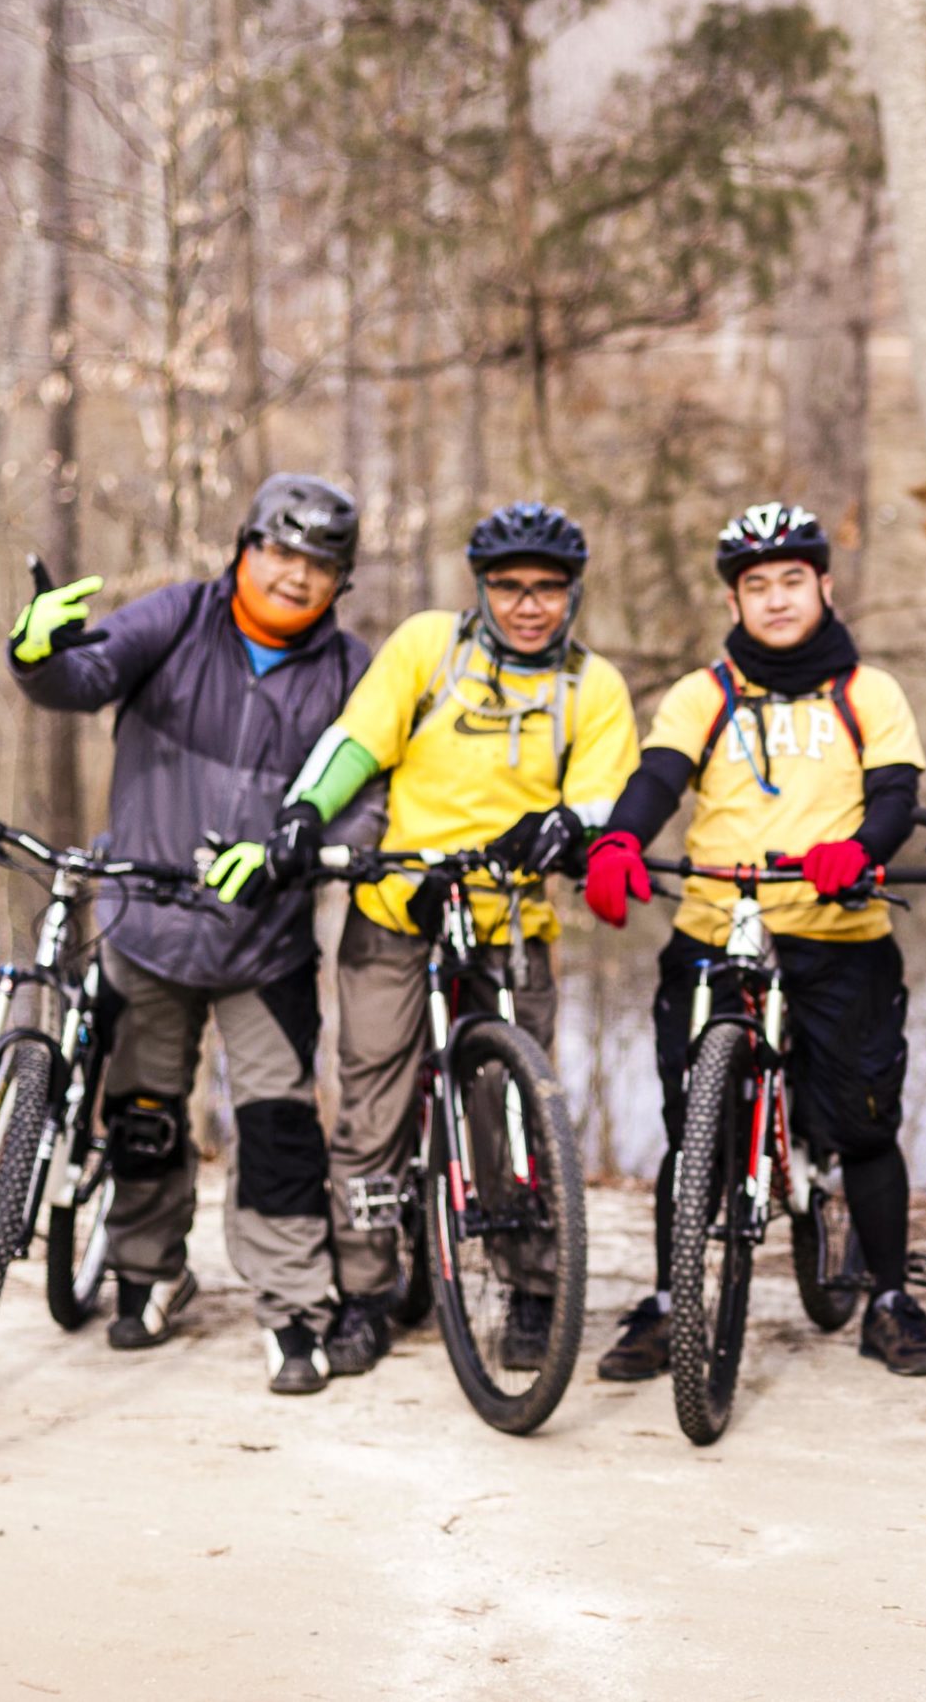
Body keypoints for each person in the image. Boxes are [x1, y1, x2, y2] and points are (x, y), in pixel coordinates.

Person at [210, 501, 637, 1388]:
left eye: (547, 590)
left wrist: (566, 824)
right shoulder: (428, 649)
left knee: (514, 1117)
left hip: (512, 915)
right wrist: (301, 813)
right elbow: (357, 742)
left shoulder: (590, 686)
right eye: (509, 587)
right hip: (398, 904)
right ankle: (367, 1292)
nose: (527, 605)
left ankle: (529, 1287)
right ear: (481, 588)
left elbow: (605, 794)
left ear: (573, 594)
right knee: (370, 1108)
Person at [6, 473, 371, 1393]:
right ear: (245, 548)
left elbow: (368, 795)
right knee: (141, 1112)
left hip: (266, 943)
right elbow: (80, 676)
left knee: (280, 1127)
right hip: (147, 923)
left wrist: (303, 855)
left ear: (340, 582)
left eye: (319, 564)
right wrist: (36, 648)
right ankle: (146, 1271)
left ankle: (293, 1307)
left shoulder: (350, 672)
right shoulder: (179, 617)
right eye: (280, 552)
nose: (295, 576)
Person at [580, 502, 926, 1378]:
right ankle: (670, 1304)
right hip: (715, 925)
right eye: (755, 586)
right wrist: (622, 837)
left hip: (838, 931)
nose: (775, 600)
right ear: (734, 600)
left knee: (862, 1128)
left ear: (823, 583)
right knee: (688, 1132)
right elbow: (659, 777)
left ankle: (889, 1298)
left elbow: (895, 795)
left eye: (790, 581)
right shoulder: (705, 693)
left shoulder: (868, 692)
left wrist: (858, 850)